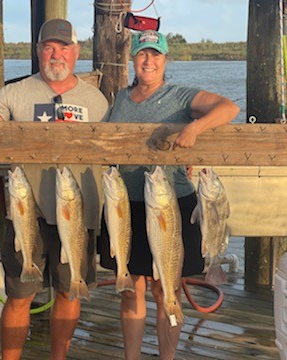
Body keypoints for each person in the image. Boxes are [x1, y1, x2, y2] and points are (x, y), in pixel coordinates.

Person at [0, 19, 109, 360]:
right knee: (19, 294)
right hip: (28, 210)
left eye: (64, 47)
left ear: (77, 52)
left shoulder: (97, 100)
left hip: (78, 212)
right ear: (38, 50)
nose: (56, 54)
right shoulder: (15, 92)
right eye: (49, 47)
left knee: (69, 292)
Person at [99, 30, 240, 360]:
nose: (148, 60)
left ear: (165, 60)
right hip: (127, 204)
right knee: (131, 288)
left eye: (156, 54)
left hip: (171, 205)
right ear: (132, 58)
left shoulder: (180, 95)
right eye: (142, 54)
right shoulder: (118, 99)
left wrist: (194, 128)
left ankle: (167, 357)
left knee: (167, 288)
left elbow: (229, 108)